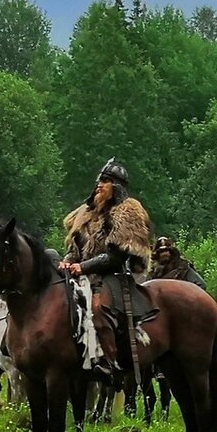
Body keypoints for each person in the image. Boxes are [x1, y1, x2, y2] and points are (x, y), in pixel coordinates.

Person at [59, 158, 154, 374]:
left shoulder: (127, 212)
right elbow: (75, 249)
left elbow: (116, 257)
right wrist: (67, 261)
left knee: (97, 309)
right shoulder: (85, 213)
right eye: (99, 181)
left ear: (117, 187)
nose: (99, 185)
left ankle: (109, 362)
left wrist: (84, 267)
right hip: (81, 276)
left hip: (111, 277)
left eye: (106, 181)